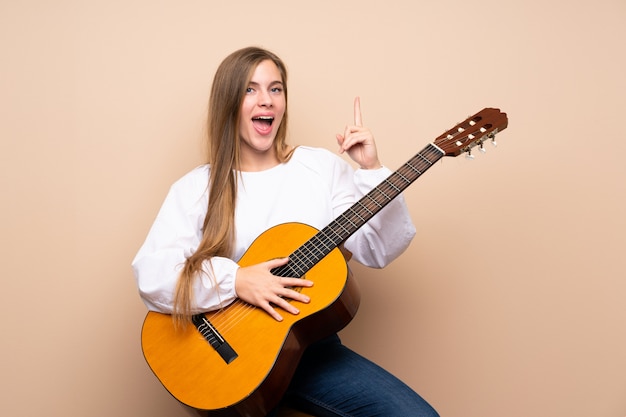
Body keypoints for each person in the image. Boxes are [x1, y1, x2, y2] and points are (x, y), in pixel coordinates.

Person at [132, 46, 439, 417]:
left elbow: (380, 248)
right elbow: (152, 274)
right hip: (230, 363)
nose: (267, 101)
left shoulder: (320, 168)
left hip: (311, 351)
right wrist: (237, 281)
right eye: (250, 89)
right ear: (229, 102)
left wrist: (372, 170)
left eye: (275, 89)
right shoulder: (197, 187)